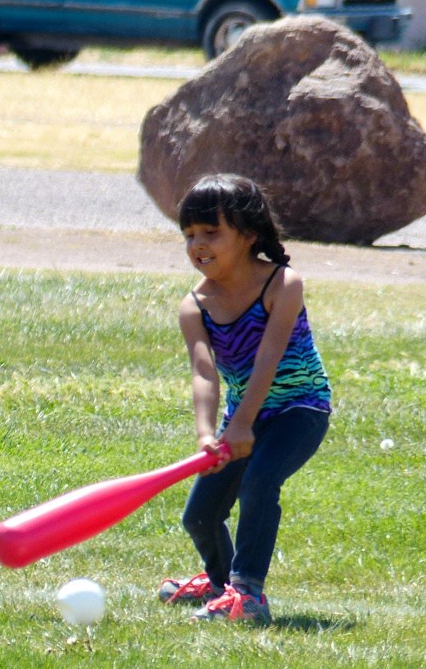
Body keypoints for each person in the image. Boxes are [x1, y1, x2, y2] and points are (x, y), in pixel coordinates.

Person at [156, 174, 331, 625]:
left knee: (258, 484)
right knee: (199, 515)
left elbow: (268, 359)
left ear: (249, 235)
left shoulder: (281, 284)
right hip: (243, 418)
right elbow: (204, 373)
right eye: (189, 234)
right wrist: (206, 434)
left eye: (211, 232)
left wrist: (242, 425)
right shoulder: (195, 304)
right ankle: (220, 585)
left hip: (299, 410)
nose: (198, 243)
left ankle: (248, 594)